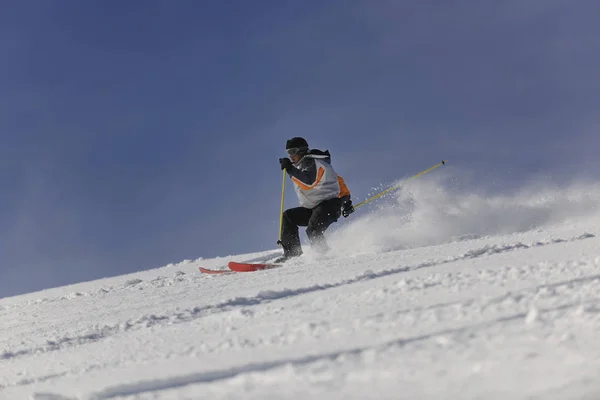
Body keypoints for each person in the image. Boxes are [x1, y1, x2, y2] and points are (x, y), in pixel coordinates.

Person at [276, 137, 354, 262]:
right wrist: (346, 200)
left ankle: (323, 256)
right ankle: (292, 255)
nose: (290, 156)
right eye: (288, 153)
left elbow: (309, 182)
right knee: (288, 216)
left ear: (301, 150)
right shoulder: (305, 165)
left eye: (292, 152)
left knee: (313, 229)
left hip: (329, 205)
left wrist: (290, 169)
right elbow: (336, 180)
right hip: (314, 208)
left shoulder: (311, 162)